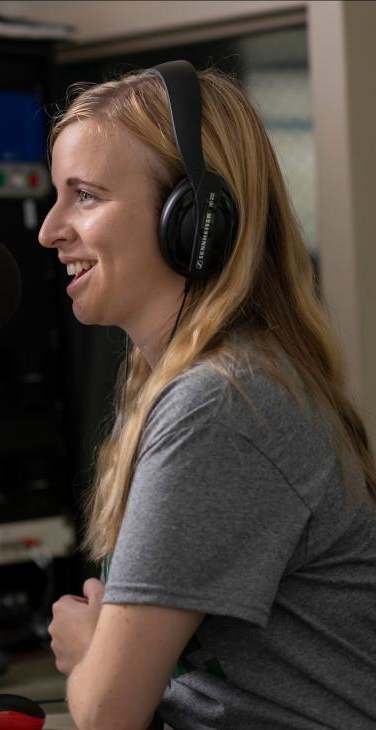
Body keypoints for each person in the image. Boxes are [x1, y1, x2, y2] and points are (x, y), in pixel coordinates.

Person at [41, 61, 376, 730]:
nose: (51, 231)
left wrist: (89, 651)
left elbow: (108, 713)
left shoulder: (222, 404)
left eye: (84, 196)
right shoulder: (211, 384)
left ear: (192, 220)